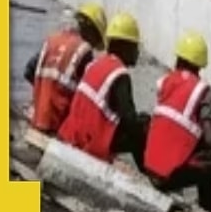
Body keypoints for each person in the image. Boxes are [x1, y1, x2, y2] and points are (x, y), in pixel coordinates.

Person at [144, 32, 211, 212]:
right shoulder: (203, 91)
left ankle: (207, 211)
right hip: (169, 175)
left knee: (203, 157)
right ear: (200, 66)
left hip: (151, 169)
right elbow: (210, 139)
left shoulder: (166, 82)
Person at [57, 11, 150, 169]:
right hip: (91, 142)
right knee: (142, 128)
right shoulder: (120, 74)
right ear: (124, 47)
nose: (137, 52)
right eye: (135, 46)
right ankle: (150, 177)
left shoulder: (95, 64)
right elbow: (130, 120)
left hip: (72, 135)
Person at [25, 2, 107, 134]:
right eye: (96, 39)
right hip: (59, 124)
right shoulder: (84, 51)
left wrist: (44, 95)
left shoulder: (52, 40)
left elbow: (28, 71)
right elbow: (86, 97)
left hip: (37, 117)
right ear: (91, 30)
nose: (93, 45)